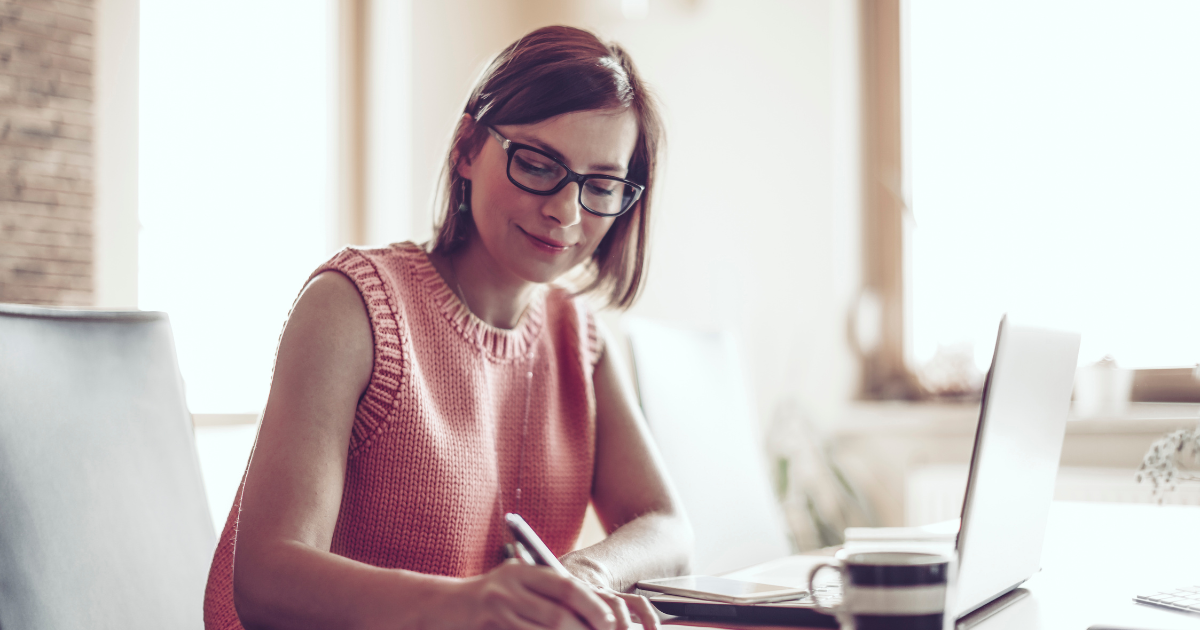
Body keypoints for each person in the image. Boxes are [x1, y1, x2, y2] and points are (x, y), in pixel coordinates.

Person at [203, 25, 693, 630]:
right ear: (466, 148)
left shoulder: (579, 338)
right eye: (539, 164)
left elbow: (667, 527)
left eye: (600, 185)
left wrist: (578, 579)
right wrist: (468, 604)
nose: (566, 211)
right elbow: (265, 580)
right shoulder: (352, 305)